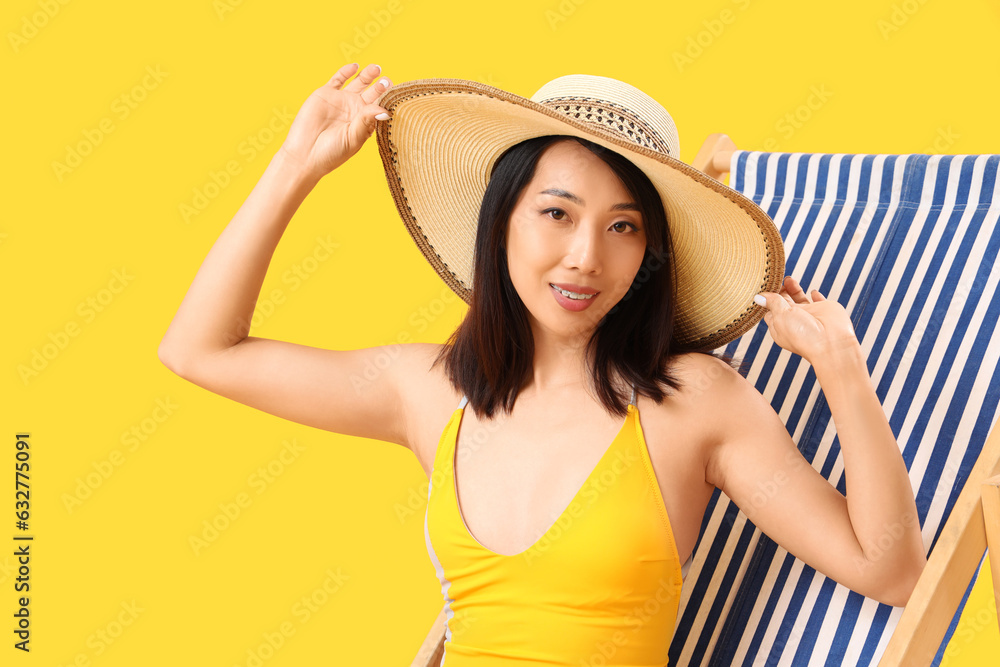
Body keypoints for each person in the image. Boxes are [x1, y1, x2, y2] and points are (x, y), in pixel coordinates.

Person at [158, 63, 927, 665]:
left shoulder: (696, 403)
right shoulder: (429, 392)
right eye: (556, 213)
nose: (585, 257)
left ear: (648, 256)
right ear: (503, 223)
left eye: (622, 226)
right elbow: (199, 350)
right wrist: (298, 165)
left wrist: (843, 372)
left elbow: (887, 567)